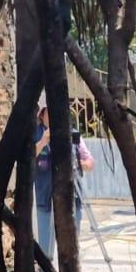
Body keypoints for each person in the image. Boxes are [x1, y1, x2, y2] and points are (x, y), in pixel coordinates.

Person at [33, 98, 96, 260]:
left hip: (71, 197)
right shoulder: (35, 134)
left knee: (71, 246)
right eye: (49, 112)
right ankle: (45, 271)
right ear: (42, 115)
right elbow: (28, 157)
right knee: (45, 249)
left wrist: (79, 164)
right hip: (45, 197)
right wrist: (44, 141)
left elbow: (89, 161)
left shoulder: (72, 133)